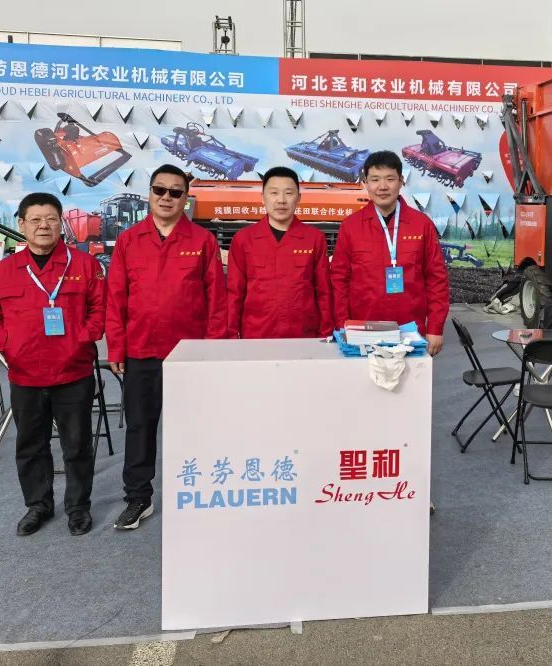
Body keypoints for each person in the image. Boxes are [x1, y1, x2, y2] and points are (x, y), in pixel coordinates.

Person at [105, 165, 227, 531]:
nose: (167, 198)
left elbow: (216, 300)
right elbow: (116, 298)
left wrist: (212, 351)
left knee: (193, 427)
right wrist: (116, 348)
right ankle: (138, 498)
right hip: (141, 350)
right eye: (160, 190)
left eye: (176, 192)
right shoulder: (129, 241)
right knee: (140, 427)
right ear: (149, 194)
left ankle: (196, 492)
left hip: (188, 356)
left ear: (185, 199)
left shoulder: (202, 241)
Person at [0, 192, 106, 537]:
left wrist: (81, 338)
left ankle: (78, 507)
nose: (43, 226)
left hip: (73, 372)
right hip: (26, 374)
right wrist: (5, 344)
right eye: (35, 219)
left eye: (50, 219)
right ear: (21, 224)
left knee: (76, 445)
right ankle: (38, 506)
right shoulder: (6, 270)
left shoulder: (84, 265)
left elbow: (99, 310)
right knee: (31, 446)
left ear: (60, 223)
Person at [331, 150, 449, 356]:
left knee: (410, 378)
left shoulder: (421, 225)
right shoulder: (351, 226)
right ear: (365, 183)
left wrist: (435, 328)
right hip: (362, 331)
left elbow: (436, 279)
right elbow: (339, 281)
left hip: (411, 331)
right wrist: (343, 327)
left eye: (390, 179)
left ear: (401, 181)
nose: (382, 186)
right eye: (375, 179)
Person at [227, 166, 332, 339]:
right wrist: (231, 337)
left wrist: (325, 336)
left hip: (303, 337)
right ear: (263, 198)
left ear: (299, 198)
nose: (281, 200)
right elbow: (234, 293)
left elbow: (324, 293)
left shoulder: (314, 239)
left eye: (289, 193)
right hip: (256, 336)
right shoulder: (244, 239)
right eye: (274, 193)